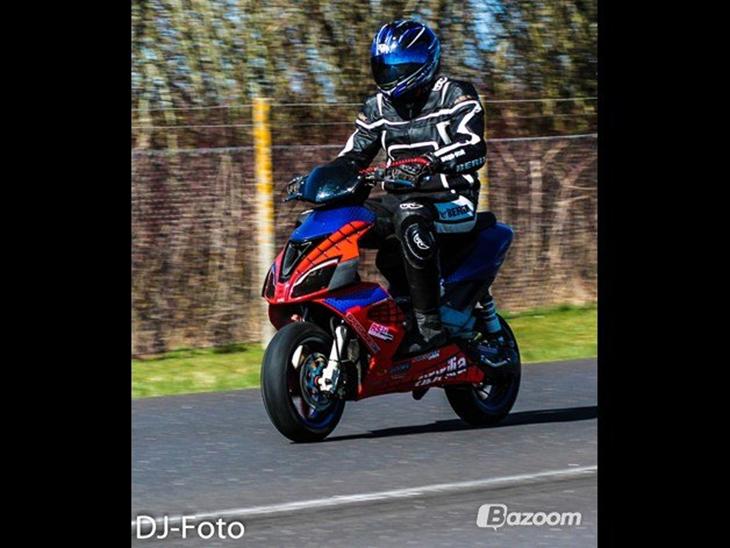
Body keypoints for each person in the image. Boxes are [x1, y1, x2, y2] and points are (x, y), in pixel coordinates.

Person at [301, 19, 504, 355]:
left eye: (400, 67)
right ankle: (338, 314)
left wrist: (430, 162)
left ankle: (429, 327)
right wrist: (316, 181)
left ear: (425, 63)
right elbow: (352, 156)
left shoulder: (456, 94)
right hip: (399, 200)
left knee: (410, 218)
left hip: (452, 199)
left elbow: (473, 146)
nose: (390, 75)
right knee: (333, 220)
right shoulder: (376, 108)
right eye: (383, 67)